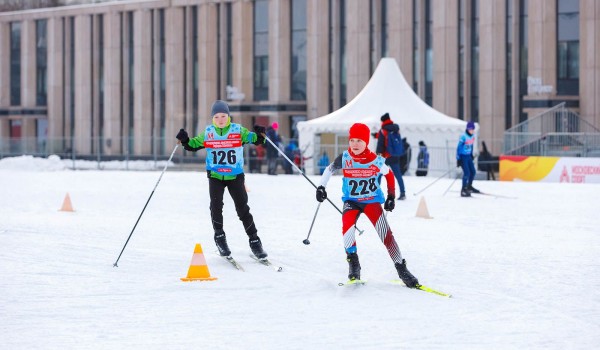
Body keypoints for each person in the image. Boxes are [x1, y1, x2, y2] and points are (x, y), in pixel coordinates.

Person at [315, 122, 419, 287]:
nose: (355, 144)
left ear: (366, 142)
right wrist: (321, 187)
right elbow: (329, 169)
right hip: (352, 201)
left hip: (371, 202)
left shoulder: (375, 160)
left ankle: (402, 269)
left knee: (386, 235)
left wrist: (391, 195)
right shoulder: (345, 158)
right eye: (352, 140)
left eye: (359, 141)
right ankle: (354, 264)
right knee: (347, 231)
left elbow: (389, 174)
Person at [176, 100, 269, 259]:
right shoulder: (208, 133)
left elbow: (255, 139)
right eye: (217, 116)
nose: (220, 119)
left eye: (224, 116)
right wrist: (185, 140)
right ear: (213, 118)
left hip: (235, 176)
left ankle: (255, 241)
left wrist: (260, 134)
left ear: (228, 116)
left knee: (242, 209)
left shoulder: (237, 130)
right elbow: (193, 145)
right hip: (216, 176)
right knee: (216, 206)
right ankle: (220, 238)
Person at [375, 113, 407, 200]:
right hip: (394, 156)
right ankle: (403, 193)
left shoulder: (383, 130)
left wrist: (378, 155)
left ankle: (376, 193)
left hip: (385, 157)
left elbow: (381, 144)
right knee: (398, 175)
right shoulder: (396, 129)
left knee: (379, 175)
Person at [456, 121, 479, 197]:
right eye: (471, 129)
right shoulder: (463, 136)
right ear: (468, 129)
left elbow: (471, 146)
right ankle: (463, 189)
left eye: (473, 129)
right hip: (463, 157)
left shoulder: (472, 136)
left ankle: (469, 186)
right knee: (467, 173)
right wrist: (458, 158)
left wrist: (471, 154)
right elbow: (459, 147)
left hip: (468, 156)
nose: (472, 130)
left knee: (473, 171)